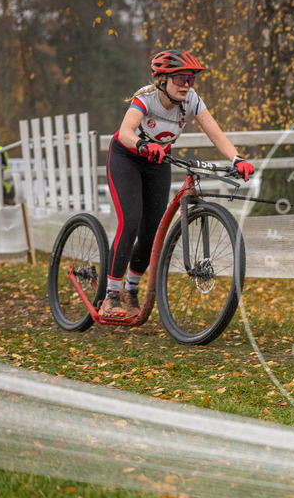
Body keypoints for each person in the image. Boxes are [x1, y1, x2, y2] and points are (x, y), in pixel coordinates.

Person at [98, 49, 255, 319]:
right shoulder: (145, 98)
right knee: (131, 221)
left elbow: (215, 133)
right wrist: (143, 145)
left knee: (151, 231)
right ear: (162, 80)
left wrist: (237, 158)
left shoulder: (191, 100)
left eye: (190, 79)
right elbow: (125, 132)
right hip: (127, 156)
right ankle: (110, 295)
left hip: (158, 161)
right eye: (180, 78)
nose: (186, 84)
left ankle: (130, 290)